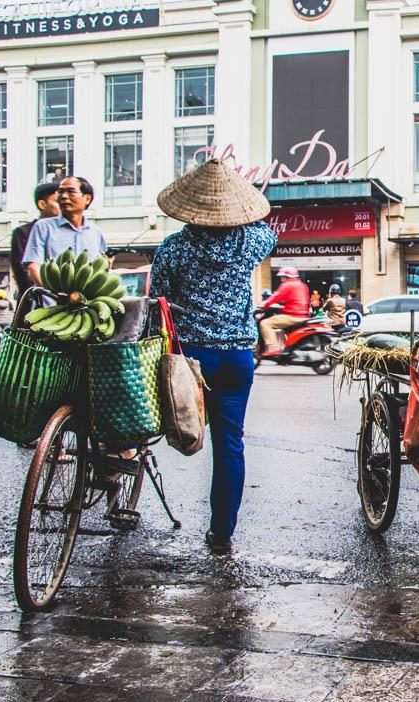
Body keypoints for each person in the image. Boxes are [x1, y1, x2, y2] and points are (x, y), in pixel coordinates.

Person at [149, 159, 276, 554]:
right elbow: (264, 229)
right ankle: (222, 532)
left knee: (172, 424)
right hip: (237, 356)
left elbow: (160, 300)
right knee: (230, 442)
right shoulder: (251, 242)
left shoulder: (173, 248)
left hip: (191, 358)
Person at [22, 177, 106, 286]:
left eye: (71, 191)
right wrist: (54, 293)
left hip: (87, 302)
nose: (64, 196)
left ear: (87, 198)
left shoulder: (95, 232)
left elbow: (101, 269)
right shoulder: (42, 227)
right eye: (60, 192)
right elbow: (33, 268)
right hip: (51, 302)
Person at [11, 183, 60, 299]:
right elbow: (23, 272)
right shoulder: (23, 232)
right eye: (58, 201)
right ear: (42, 204)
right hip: (36, 302)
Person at [258, 267, 310, 356]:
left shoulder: (287, 285)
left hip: (292, 316)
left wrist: (264, 304)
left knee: (265, 323)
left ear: (287, 277)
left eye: (282, 277)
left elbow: (276, 296)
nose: (281, 279)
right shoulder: (302, 285)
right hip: (304, 316)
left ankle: (273, 348)